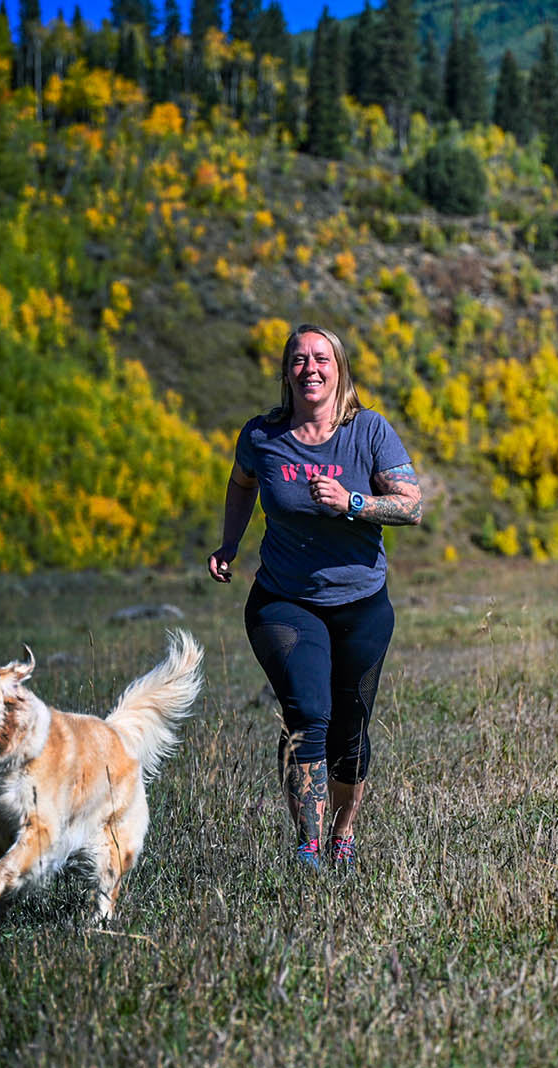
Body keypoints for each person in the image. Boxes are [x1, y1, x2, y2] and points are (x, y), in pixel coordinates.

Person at [208, 324, 423, 870]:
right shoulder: (261, 437)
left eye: (321, 359)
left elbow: (411, 505)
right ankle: (307, 848)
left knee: (350, 730)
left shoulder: (369, 431)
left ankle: (342, 835)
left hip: (361, 603)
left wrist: (353, 502)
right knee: (309, 716)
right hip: (285, 600)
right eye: (299, 360)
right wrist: (230, 542)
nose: (311, 369)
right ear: (287, 372)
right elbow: (240, 484)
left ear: (339, 369)